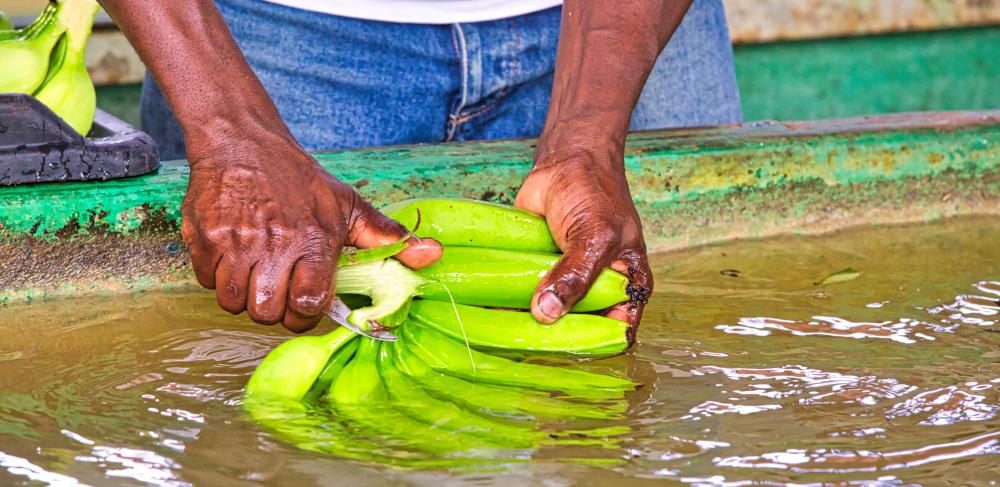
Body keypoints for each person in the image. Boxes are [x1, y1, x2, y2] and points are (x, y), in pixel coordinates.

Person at [99, 0, 741, 334]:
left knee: (673, 339)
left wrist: (590, 138)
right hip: (263, 39)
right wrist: (231, 129)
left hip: (629, 32)